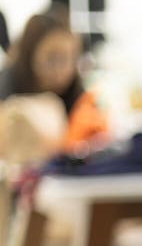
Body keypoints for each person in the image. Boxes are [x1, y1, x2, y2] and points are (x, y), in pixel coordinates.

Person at [0, 12, 107, 155]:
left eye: (70, 58)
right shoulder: (7, 84)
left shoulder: (78, 94)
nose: (62, 70)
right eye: (52, 58)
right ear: (30, 55)